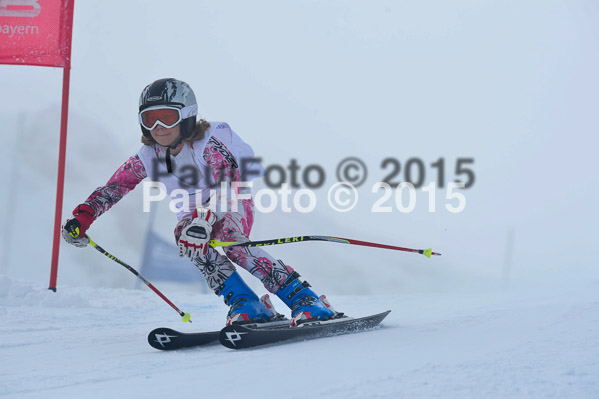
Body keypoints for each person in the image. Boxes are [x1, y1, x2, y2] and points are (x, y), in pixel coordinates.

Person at [62, 78, 341, 326]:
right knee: (187, 238)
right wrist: (83, 217)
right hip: (195, 211)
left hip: (230, 199)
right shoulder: (148, 154)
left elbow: (228, 182)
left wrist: (206, 219)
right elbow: (115, 187)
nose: (158, 128)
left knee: (232, 242)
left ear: (187, 116)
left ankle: (306, 299)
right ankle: (248, 304)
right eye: (150, 120)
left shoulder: (209, 140)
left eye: (167, 117)